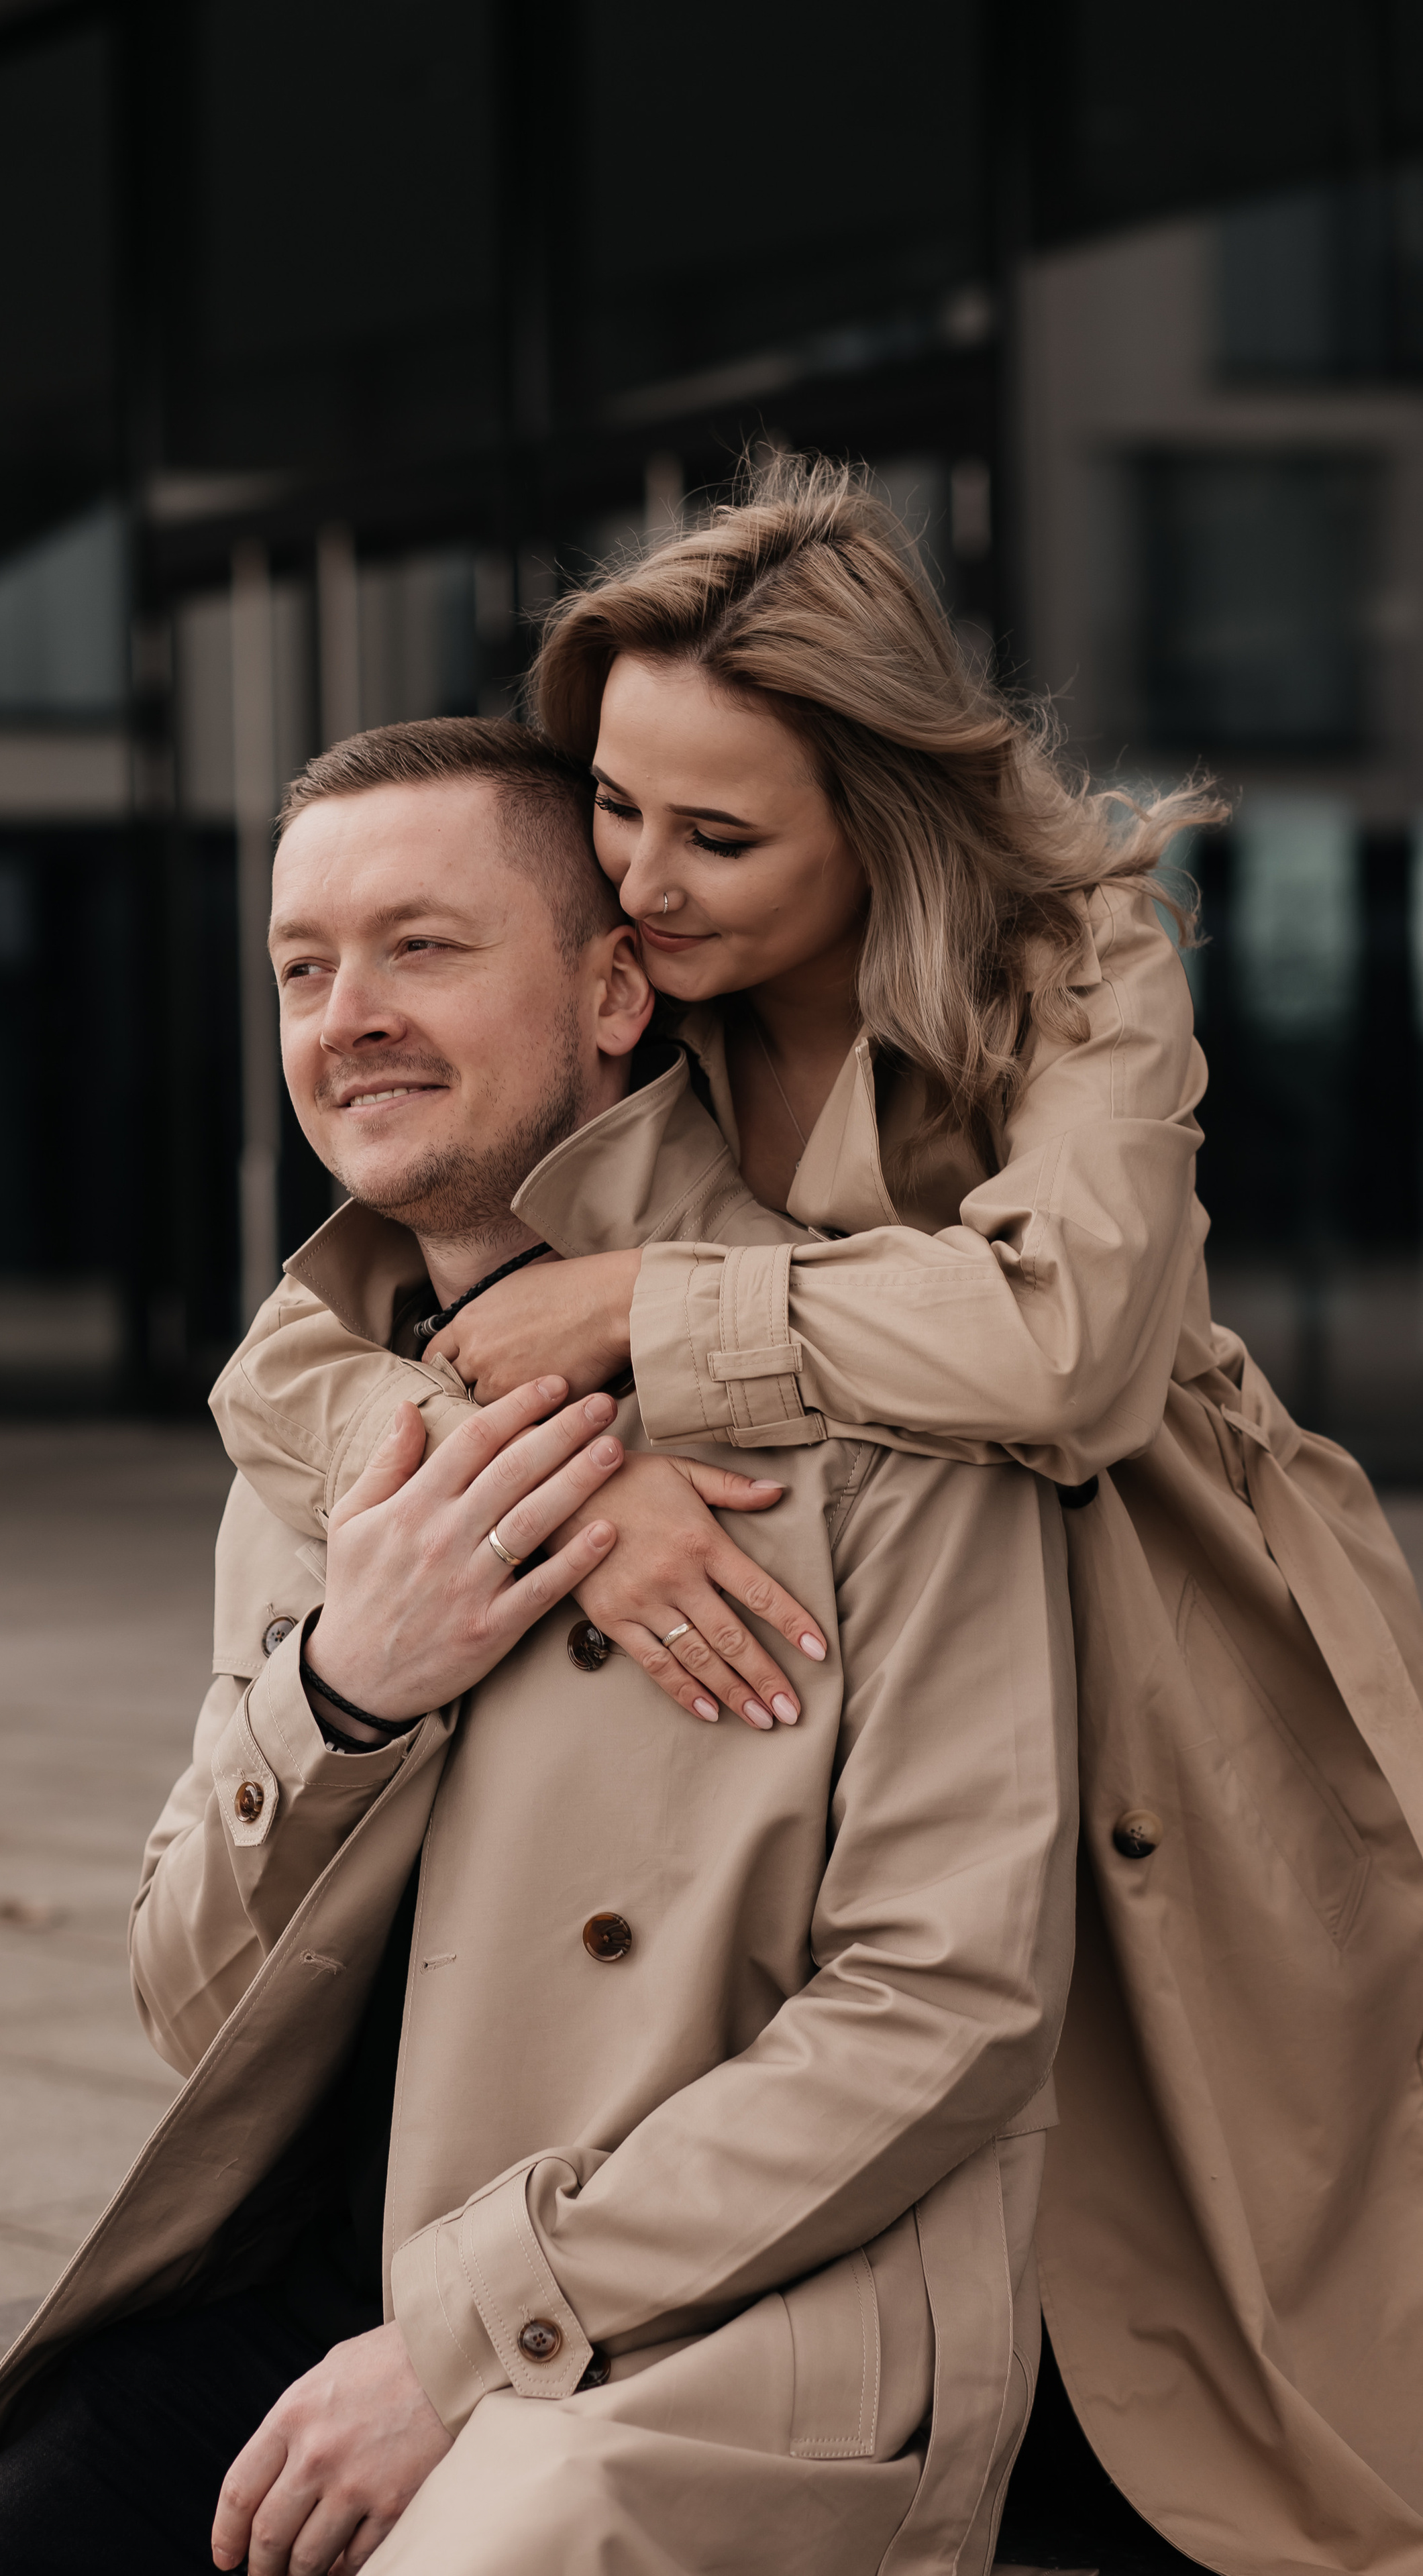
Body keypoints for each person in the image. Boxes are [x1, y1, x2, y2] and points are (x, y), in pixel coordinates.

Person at [213, 460, 1423, 2576]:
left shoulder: (1073, 962)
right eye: (611, 805)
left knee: (1221, 2184)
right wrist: (587, 1490)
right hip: (855, 1604)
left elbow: (1062, 1346)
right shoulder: (627, 980)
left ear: (874, 811)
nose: (645, 882)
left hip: (1158, 1618)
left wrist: (643, 1321)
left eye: (720, 833)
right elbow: (342, 1332)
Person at [0, 720, 1076, 2576]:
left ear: (613, 989)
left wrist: (466, 2329)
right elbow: (193, 2008)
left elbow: (947, 2003)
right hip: (321, 2306)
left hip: (703, 2333)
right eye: (303, 966)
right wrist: (347, 1685)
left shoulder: (857, 1385)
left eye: (422, 947)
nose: (348, 1013)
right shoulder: (320, 1428)